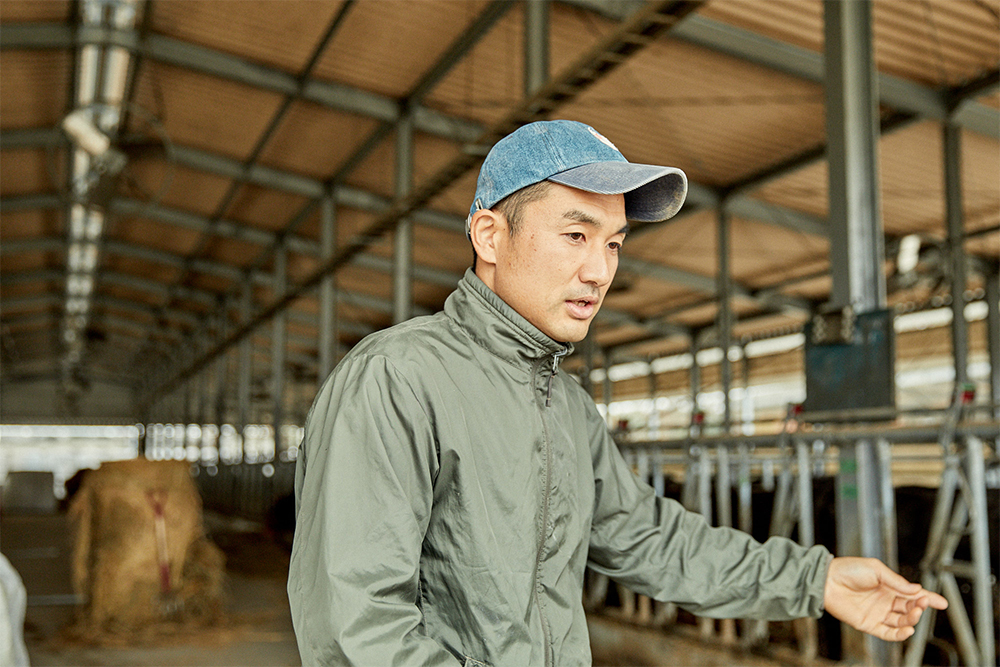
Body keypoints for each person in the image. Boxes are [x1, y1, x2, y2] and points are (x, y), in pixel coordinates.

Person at [288, 120, 947, 666]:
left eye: (614, 243)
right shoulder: (399, 377)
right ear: (490, 235)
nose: (600, 269)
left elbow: (649, 539)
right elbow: (359, 626)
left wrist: (815, 579)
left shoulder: (566, 405)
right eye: (575, 234)